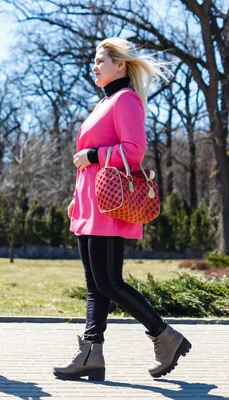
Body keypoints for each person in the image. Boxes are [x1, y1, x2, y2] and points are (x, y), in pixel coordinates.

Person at [53, 38, 191, 381]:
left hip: (109, 204)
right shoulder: (105, 102)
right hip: (89, 203)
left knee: (110, 282)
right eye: (94, 61)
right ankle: (90, 354)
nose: (94, 66)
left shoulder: (126, 100)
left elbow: (134, 150)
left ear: (121, 65)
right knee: (95, 285)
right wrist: (76, 195)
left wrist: (94, 156)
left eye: (101, 60)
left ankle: (165, 336)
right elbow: (88, 158)